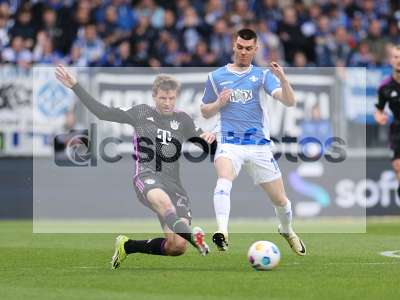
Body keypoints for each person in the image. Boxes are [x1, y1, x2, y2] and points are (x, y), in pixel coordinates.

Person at [55, 64, 215, 269]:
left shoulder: (183, 119)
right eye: (163, 98)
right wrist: (75, 86)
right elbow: (103, 112)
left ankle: (127, 246)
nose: (167, 103)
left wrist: (210, 138)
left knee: (177, 247)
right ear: (154, 96)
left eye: (172, 98)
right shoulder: (139, 112)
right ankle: (193, 237)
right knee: (166, 205)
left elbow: (204, 142)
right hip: (146, 177)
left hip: (174, 184)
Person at [200, 28, 306, 255]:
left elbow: (289, 102)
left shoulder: (262, 76)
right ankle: (222, 232)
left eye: (248, 49)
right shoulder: (216, 77)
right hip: (230, 143)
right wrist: (218, 103)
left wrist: (284, 80)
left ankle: (287, 230)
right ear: (233, 46)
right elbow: (205, 111)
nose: (243, 52)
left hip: (259, 146)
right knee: (224, 178)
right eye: (240, 47)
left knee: (281, 201)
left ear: (256, 49)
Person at [374, 45, 400, 196]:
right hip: (397, 130)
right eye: (396, 57)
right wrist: (379, 117)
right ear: (391, 60)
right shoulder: (385, 86)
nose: (399, 60)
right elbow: (379, 109)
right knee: (397, 166)